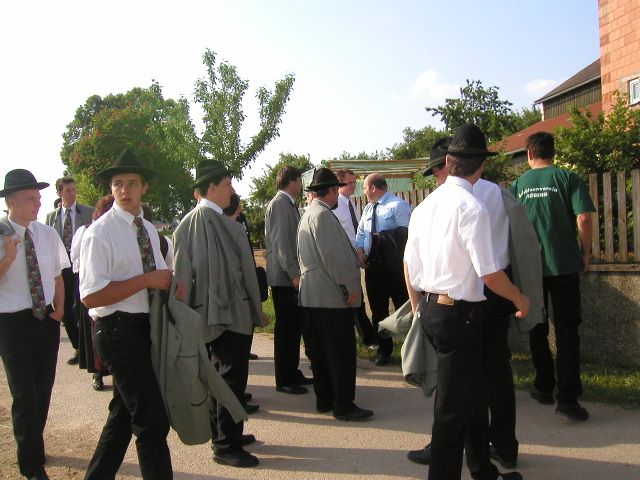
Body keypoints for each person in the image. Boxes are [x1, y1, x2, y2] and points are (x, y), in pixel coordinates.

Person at [408, 137, 543, 470]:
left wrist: (417, 306)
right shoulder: (478, 203)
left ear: (447, 163)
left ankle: (482, 468)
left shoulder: (425, 205)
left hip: (436, 304)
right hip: (467, 305)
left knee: (465, 392)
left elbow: (409, 264)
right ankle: (485, 457)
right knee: (460, 402)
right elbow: (491, 271)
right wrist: (521, 297)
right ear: (482, 166)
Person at [80, 149, 174, 479]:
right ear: (111, 188)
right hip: (116, 330)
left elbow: (160, 277)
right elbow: (91, 296)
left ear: (144, 187)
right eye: (118, 183)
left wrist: (174, 284)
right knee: (152, 422)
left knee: (122, 420)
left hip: (145, 328)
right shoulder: (99, 232)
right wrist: (146, 280)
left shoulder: (147, 229)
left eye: (132, 183)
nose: (124, 190)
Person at [173, 160, 266, 468]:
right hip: (232, 316)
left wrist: (188, 317)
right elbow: (246, 274)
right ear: (211, 188)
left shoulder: (185, 226)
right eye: (227, 184)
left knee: (218, 378)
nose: (232, 190)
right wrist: (255, 310)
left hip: (205, 316)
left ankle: (224, 435)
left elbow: (182, 280)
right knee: (231, 379)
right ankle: (226, 445)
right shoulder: (226, 225)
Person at [511, 131, 595, 422]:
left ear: (529, 154)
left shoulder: (518, 185)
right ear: (553, 153)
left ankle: (543, 385)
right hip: (564, 265)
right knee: (568, 330)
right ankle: (568, 397)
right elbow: (584, 217)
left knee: (537, 326)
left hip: (530, 269)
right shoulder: (568, 178)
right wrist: (585, 252)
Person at [0, 169, 68, 480]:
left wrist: (60, 310)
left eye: (38, 198)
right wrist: (7, 258)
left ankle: (33, 444)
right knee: (25, 394)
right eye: (30, 198)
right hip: (11, 323)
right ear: (11, 202)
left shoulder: (47, 234)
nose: (38, 203)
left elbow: (57, 275)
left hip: (45, 319)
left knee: (42, 390)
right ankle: (31, 465)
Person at [298, 167, 374, 421]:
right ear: (331, 191)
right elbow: (334, 259)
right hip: (330, 297)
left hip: (313, 296)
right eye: (336, 190)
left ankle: (325, 399)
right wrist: (349, 289)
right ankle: (343, 405)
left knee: (321, 353)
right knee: (340, 354)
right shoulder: (322, 215)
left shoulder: (309, 213)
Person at [265, 166, 313, 394]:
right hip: (284, 278)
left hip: (288, 276)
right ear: (292, 181)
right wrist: (294, 273)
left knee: (293, 328)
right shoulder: (279, 204)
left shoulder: (287, 204)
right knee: (286, 330)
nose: (301, 185)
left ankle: (292, 372)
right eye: (299, 180)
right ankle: (284, 379)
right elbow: (282, 243)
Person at [355, 173, 411, 365]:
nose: (363, 191)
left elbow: (407, 235)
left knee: (403, 308)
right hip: (374, 267)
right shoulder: (368, 208)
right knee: (378, 309)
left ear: (373, 188)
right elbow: (361, 233)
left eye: (364, 187)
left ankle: (409, 351)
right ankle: (384, 350)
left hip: (394, 268)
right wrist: (360, 252)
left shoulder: (398, 205)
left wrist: (383, 238)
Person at [45, 177, 94, 365]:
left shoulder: (87, 212)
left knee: (80, 306)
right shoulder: (51, 217)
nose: (72, 193)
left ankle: (90, 348)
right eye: (68, 190)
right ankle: (78, 347)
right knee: (64, 308)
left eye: (74, 189)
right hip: (61, 266)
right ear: (60, 193)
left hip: (82, 264)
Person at [70, 194, 114, 391]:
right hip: (93, 291)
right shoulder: (87, 231)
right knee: (94, 333)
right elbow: (76, 261)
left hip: (114, 289)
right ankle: (97, 374)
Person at [332, 168, 378, 347]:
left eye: (354, 182)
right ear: (339, 184)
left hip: (356, 255)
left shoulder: (351, 203)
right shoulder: (336, 205)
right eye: (348, 183)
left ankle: (365, 336)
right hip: (345, 257)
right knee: (354, 297)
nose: (353, 186)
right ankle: (367, 337)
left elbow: (357, 230)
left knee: (357, 297)